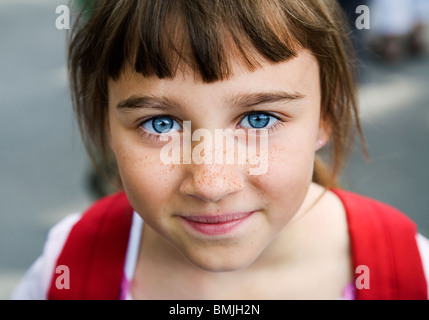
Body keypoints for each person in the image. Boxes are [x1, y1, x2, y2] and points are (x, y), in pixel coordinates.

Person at [11, 0, 429, 300]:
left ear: (327, 114)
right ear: (106, 126)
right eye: (161, 124)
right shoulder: (63, 270)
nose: (211, 184)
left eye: (259, 119)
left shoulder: (412, 274)